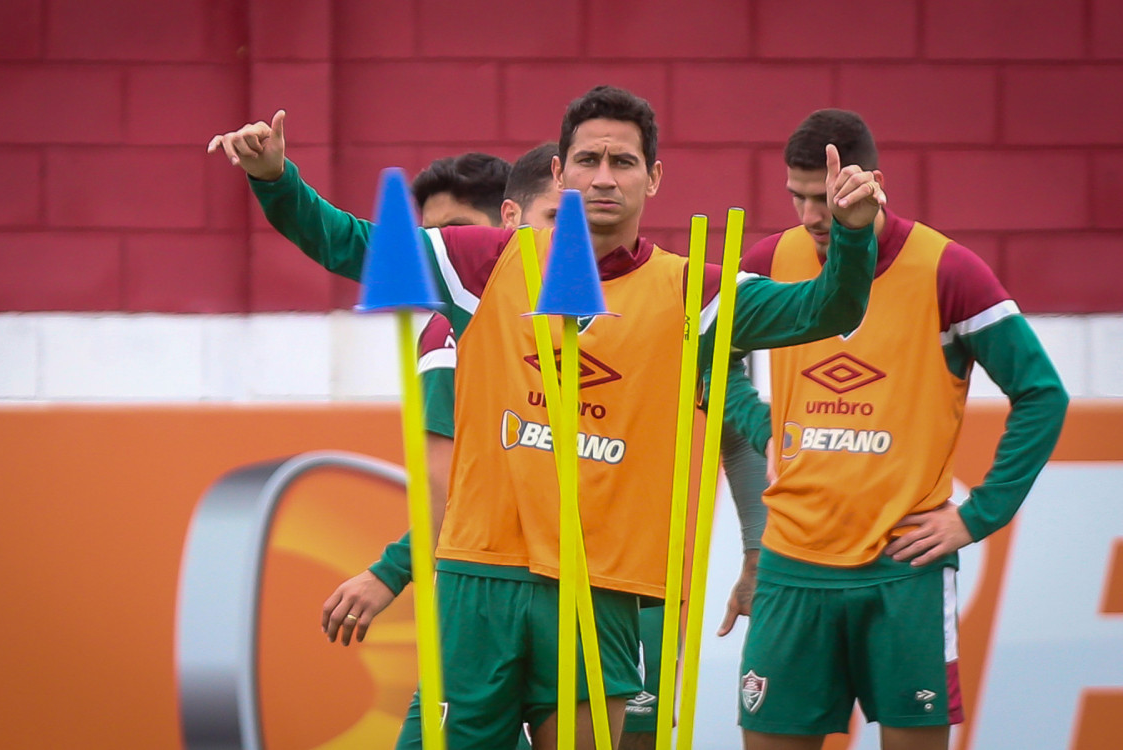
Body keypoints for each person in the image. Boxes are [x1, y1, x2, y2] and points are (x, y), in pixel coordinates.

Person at [208, 85, 881, 749]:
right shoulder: (485, 264)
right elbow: (352, 245)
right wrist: (276, 180)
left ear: (654, 178)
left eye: (623, 163)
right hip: (480, 579)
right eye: (587, 160)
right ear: (558, 173)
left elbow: (827, 310)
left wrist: (852, 238)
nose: (604, 178)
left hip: (601, 588)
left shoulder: (693, 291)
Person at [322, 141, 769, 750]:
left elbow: (735, 432)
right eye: (434, 237)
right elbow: (445, 489)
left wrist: (754, 545)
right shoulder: (456, 330)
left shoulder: (661, 304)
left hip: (624, 594)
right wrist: (395, 569)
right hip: (497, 588)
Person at [717, 109, 1069, 750]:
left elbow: (1042, 395)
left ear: (873, 182)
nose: (809, 217)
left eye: (823, 198)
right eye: (796, 197)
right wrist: (761, 424)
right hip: (791, 567)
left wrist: (978, 516)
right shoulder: (771, 259)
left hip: (901, 571)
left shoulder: (948, 270)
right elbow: (711, 363)